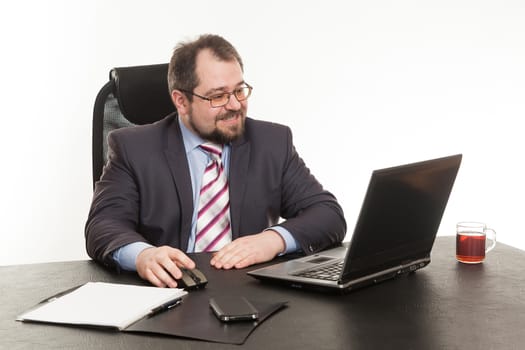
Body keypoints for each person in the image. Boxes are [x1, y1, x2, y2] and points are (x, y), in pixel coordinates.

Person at [85, 34, 346, 288]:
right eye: (218, 96)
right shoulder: (133, 148)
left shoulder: (272, 142)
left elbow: (327, 214)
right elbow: (103, 224)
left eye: (239, 91)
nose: (235, 105)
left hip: (248, 294)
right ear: (181, 101)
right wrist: (143, 255)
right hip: (170, 294)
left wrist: (273, 240)